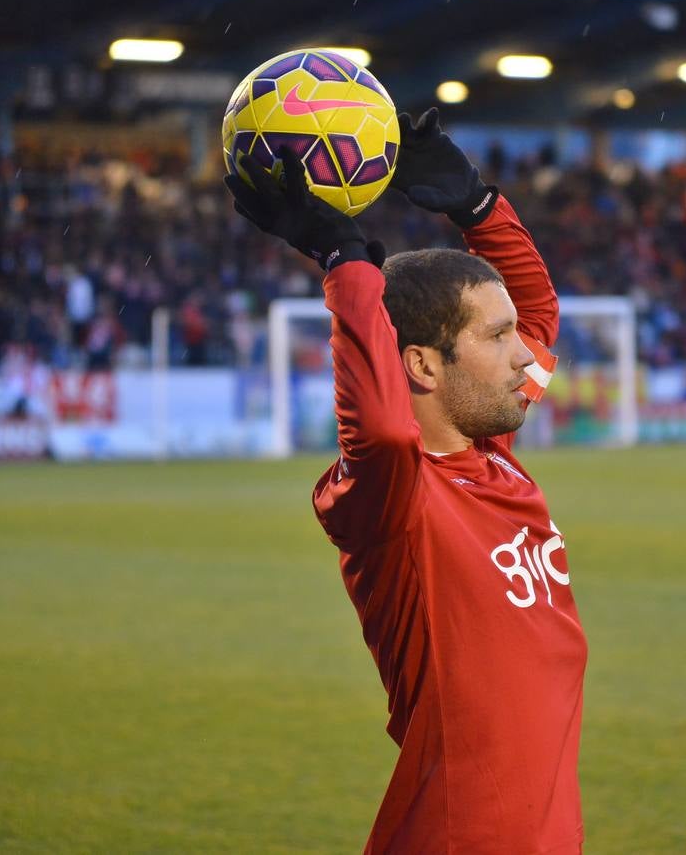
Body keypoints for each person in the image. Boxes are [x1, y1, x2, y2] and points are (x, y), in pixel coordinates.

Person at [225, 109, 586, 855]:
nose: (525, 356)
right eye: (496, 337)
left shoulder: (496, 456)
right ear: (420, 365)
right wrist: (344, 260)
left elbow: (540, 316)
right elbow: (386, 432)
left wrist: (478, 207)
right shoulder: (394, 502)